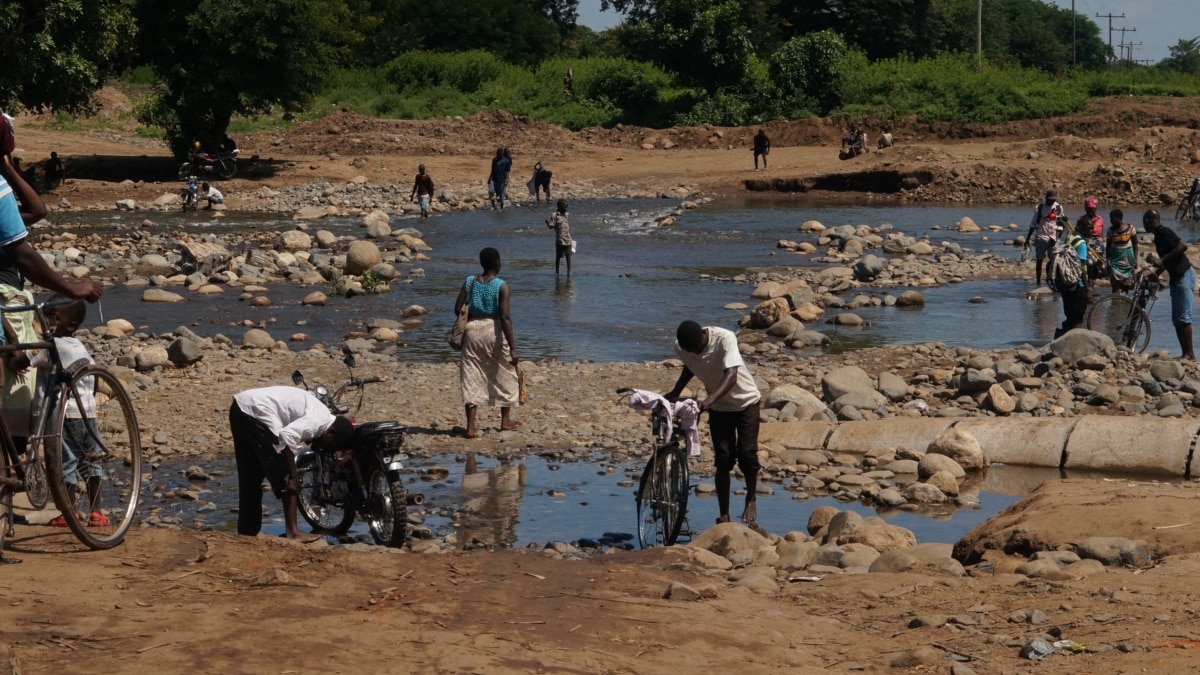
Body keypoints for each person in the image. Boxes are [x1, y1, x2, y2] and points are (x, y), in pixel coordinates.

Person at [0, 114, 101, 455]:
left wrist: (7, 171)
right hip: (6, 301)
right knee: (17, 388)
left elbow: (37, 210)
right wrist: (72, 288)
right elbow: (23, 253)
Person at [10, 299, 105, 526]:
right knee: (91, 460)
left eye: (53, 317)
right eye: (46, 316)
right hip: (87, 412)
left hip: (61, 414)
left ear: (69, 325)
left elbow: (21, 361)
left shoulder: (48, 346)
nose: (47, 322)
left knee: (65, 462)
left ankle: (68, 512)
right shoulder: (79, 346)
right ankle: (97, 512)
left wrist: (12, 359)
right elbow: (93, 377)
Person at [665, 320, 761, 525]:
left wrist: (707, 401)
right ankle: (724, 513)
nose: (696, 353)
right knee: (723, 459)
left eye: (698, 349)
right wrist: (675, 392)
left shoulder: (724, 338)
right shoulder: (681, 347)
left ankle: (751, 497)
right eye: (690, 351)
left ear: (703, 335)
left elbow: (732, 375)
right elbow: (690, 366)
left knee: (747, 454)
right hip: (719, 408)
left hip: (746, 402)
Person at [229, 385, 354, 541]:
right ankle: (293, 532)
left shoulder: (321, 415)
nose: (324, 447)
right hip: (256, 412)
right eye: (330, 445)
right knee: (285, 472)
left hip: (240, 407)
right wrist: (293, 476)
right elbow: (287, 436)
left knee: (250, 475)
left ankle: (247, 533)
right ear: (331, 432)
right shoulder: (318, 421)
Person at [453, 247, 520, 439]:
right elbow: (505, 317)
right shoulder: (502, 286)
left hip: (472, 331)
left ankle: (471, 428)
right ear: (497, 263)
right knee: (505, 372)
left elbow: (457, 308)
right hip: (493, 331)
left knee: (471, 375)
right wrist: (513, 348)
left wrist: (473, 313)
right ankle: (505, 420)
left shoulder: (469, 282)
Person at [1144, 209, 1196, 361]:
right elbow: (1167, 260)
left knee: (1184, 318)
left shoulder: (1164, 232)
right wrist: (1157, 273)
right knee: (1177, 319)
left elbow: (1182, 246)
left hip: (1184, 275)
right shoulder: (1158, 237)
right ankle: (1184, 353)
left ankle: (1190, 355)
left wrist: (1162, 259)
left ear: (1147, 221)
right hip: (1176, 277)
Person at [1054, 224, 1091, 338]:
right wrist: (1087, 288)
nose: (1091, 230)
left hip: (1067, 283)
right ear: (1081, 227)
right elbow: (1081, 267)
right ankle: (1075, 345)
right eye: (1088, 227)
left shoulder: (1070, 237)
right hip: (1078, 285)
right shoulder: (1082, 244)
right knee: (1078, 319)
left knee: (1070, 318)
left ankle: (1058, 341)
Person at [1024, 188, 1065, 287]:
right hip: (1041, 237)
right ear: (1046, 197)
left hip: (1053, 239)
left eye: (1054, 199)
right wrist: (1027, 239)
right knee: (1039, 259)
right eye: (1050, 199)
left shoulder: (1059, 208)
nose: (1052, 201)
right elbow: (1033, 224)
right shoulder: (1040, 207)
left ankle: (1054, 280)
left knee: (1055, 260)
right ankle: (1038, 283)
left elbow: (1061, 225)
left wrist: (1056, 238)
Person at [1106, 208, 1138, 292]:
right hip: (1115, 261)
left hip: (1128, 260)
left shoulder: (1131, 228)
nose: (1111, 220)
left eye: (1112, 218)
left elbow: (1135, 244)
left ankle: (1124, 301)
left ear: (1118, 218)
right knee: (1116, 283)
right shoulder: (1110, 231)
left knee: (1126, 284)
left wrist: (1135, 259)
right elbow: (1108, 247)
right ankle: (1116, 301)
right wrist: (1107, 260)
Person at [546, 198, 572, 277]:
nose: (566, 209)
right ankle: (557, 271)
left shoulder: (566, 214)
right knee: (558, 256)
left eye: (567, 207)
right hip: (560, 240)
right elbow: (551, 226)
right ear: (559, 207)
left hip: (568, 239)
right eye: (565, 207)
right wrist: (547, 223)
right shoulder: (554, 215)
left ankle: (569, 272)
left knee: (568, 256)